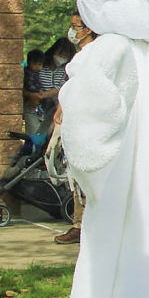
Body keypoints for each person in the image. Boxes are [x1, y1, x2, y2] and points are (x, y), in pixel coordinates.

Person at [53, 14, 96, 246]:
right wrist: (61, 108)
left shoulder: (96, 54)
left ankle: (85, 225)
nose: (71, 31)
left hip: (87, 121)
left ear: (88, 29)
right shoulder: (79, 56)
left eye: (75, 26)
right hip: (73, 119)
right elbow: (71, 85)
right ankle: (78, 224)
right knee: (74, 174)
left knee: (85, 174)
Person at [22, 49, 45, 136]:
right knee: (33, 129)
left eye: (40, 64)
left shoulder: (37, 74)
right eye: (35, 64)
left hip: (37, 104)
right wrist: (36, 93)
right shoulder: (28, 74)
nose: (37, 67)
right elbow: (30, 86)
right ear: (29, 63)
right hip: (30, 102)